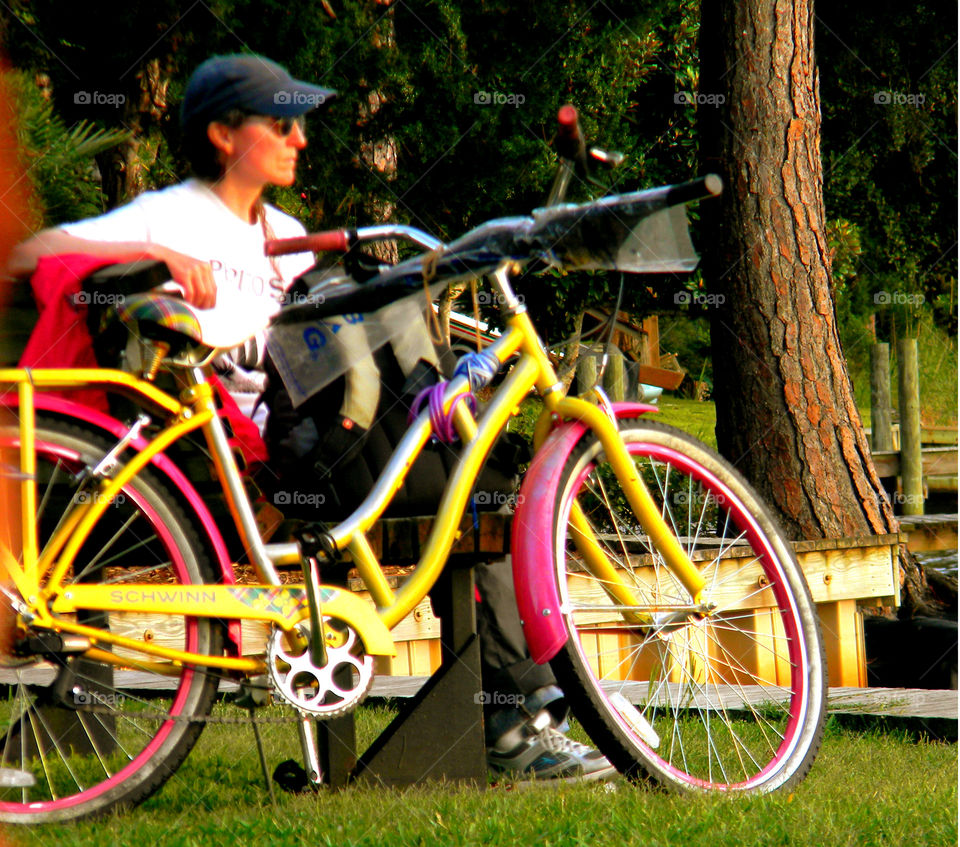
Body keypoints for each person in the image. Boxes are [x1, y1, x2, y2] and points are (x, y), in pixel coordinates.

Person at [6, 54, 614, 783]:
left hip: (305, 449)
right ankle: (515, 725)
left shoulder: (287, 231)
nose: (301, 139)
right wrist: (154, 253)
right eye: (282, 123)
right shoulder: (168, 214)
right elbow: (32, 253)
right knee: (471, 485)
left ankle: (518, 714)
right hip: (247, 465)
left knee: (468, 471)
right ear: (224, 134)